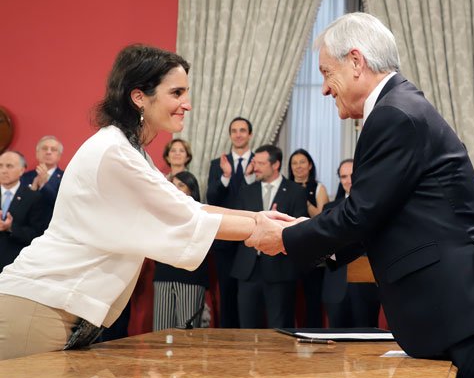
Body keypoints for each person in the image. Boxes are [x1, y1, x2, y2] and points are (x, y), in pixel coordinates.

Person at [246, 13, 474, 378]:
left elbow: (360, 214)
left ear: (355, 62)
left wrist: (288, 238)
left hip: (466, 306)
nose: (324, 89)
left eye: (326, 73)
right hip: (462, 307)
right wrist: (305, 235)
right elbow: (378, 215)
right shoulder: (397, 107)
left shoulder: (393, 115)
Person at [0, 44, 288, 360]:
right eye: (176, 93)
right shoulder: (115, 152)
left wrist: (262, 219)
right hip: (37, 309)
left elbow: (190, 207)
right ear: (139, 97)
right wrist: (272, 230)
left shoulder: (129, 151)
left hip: (58, 311)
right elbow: (188, 216)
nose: (187, 104)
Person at [230, 145, 307, 328]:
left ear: (276, 164)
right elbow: (236, 223)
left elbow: (300, 227)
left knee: (279, 327)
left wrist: (277, 225)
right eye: (255, 162)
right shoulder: (247, 190)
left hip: (279, 270)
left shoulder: (295, 191)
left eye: (261, 163)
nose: (255, 167)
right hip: (248, 270)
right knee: (247, 329)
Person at [206, 117, 255, 328]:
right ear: (230, 135)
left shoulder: (260, 161)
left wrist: (251, 179)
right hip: (225, 240)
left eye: (242, 130)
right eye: (234, 131)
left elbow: (260, 199)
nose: (238, 134)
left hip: (252, 240)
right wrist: (225, 177)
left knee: (250, 297)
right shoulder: (218, 164)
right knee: (226, 293)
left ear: (250, 134)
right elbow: (211, 198)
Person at [322, 159, 379, 328]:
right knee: (335, 347)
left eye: (352, 175)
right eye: (343, 176)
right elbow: (321, 245)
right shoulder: (329, 208)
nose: (348, 180)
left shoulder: (376, 205)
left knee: (367, 345)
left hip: (367, 287)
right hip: (335, 286)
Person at [153, 171, 210, 330]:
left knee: (187, 332)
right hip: (163, 276)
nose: (175, 188)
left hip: (191, 277)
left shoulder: (202, 213)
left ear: (191, 190)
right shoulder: (159, 213)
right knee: (161, 330)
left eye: (181, 185)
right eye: (172, 185)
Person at [288, 148, 329, 327]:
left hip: (313, 251)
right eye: (294, 163)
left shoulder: (319, 187)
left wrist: (301, 198)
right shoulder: (284, 186)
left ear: (310, 165)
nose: (298, 166)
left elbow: (321, 217)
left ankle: (315, 332)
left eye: (302, 162)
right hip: (289, 249)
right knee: (290, 298)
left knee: (313, 297)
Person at [0, 151, 46, 272]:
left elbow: (36, 234)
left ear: (21, 170)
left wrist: (10, 227)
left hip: (14, 264)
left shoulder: (33, 197)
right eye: (0, 165)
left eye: (9, 166)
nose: (4, 170)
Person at [20, 135, 64, 227]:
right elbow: (19, 204)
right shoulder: (24, 177)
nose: (48, 152)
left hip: (52, 226)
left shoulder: (65, 178)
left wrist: (44, 185)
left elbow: (60, 204)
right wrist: (33, 188)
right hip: (26, 229)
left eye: (53, 149)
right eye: (44, 148)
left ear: (59, 156)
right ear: (37, 154)